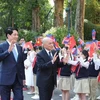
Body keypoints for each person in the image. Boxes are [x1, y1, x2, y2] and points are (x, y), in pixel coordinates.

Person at [0, 27, 25, 100]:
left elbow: (21, 63)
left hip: (18, 79)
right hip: (5, 78)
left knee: (19, 97)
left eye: (17, 35)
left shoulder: (19, 47)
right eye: (14, 35)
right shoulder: (2, 46)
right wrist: (8, 51)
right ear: (8, 35)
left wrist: (23, 77)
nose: (17, 36)